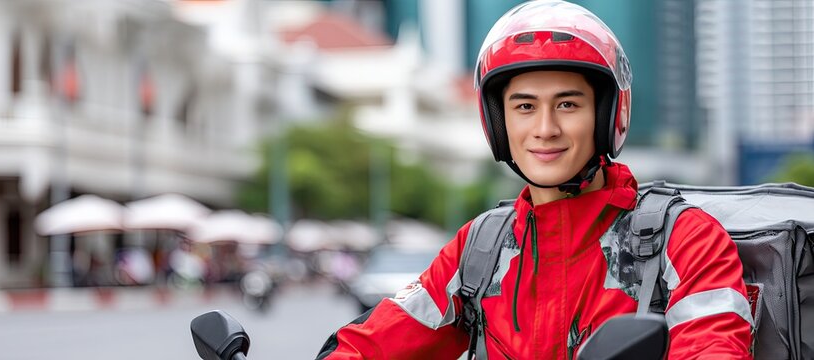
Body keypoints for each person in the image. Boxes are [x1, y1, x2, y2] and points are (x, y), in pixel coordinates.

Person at [316, 1, 753, 358]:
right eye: (524, 107)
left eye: (567, 105)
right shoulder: (481, 248)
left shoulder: (684, 240)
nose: (545, 128)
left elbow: (713, 347)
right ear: (498, 121)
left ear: (607, 115)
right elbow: (372, 344)